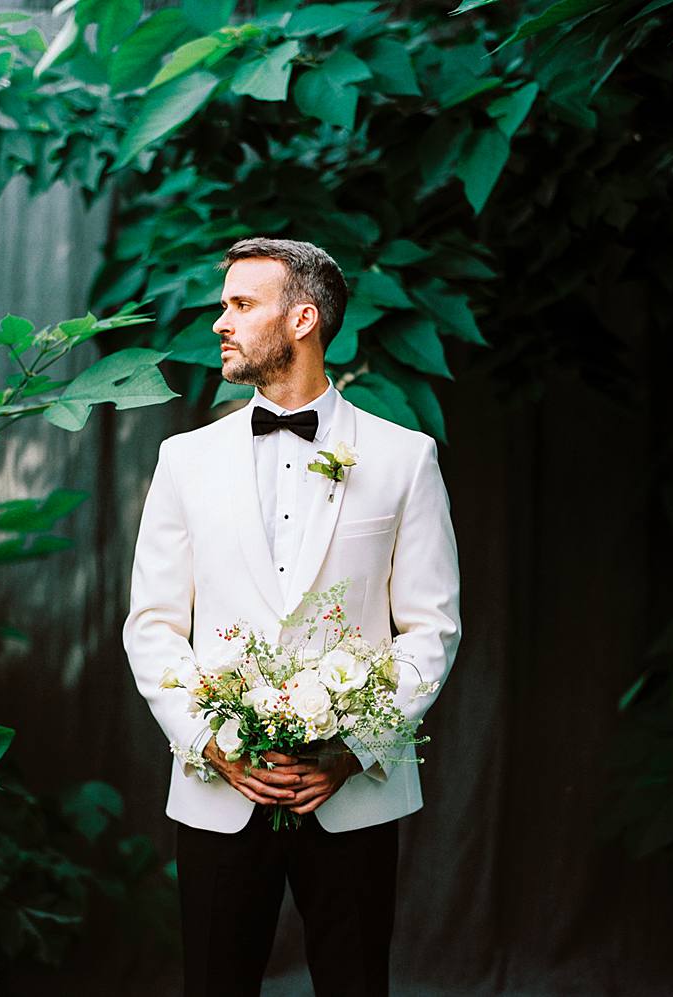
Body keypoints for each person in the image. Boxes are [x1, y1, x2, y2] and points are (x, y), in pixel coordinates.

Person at [123, 237, 461, 997]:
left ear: (303, 318)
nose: (220, 322)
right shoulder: (184, 459)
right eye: (224, 305)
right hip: (221, 788)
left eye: (241, 305)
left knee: (353, 984)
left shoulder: (405, 458)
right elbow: (152, 623)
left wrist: (356, 744)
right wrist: (212, 742)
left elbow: (431, 627)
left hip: (353, 790)